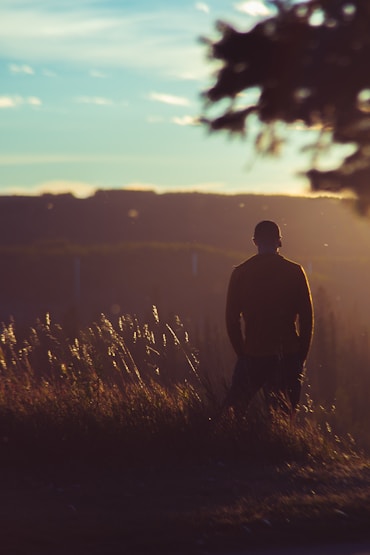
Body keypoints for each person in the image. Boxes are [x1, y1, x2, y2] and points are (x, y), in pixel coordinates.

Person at [225, 220, 313, 418]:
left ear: (255, 242)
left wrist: (243, 353)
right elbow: (307, 319)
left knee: (233, 414)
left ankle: (233, 448)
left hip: (252, 355)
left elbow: (231, 320)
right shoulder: (295, 272)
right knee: (282, 418)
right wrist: (300, 355)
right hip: (288, 355)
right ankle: (276, 448)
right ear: (279, 242)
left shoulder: (241, 273)